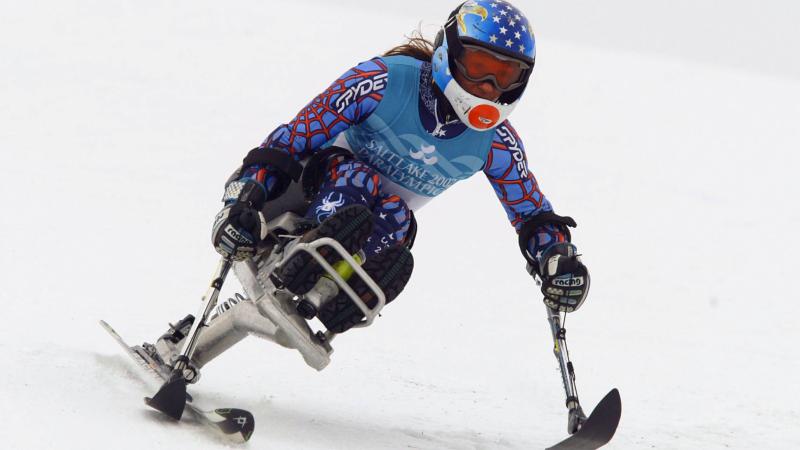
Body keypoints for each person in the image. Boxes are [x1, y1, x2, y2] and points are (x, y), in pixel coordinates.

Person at [210, 0, 590, 334]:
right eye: (478, 68)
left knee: (398, 217)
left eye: (505, 76)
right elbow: (291, 140)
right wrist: (242, 197)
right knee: (359, 180)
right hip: (301, 192)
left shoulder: (496, 142)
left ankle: (331, 287)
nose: (489, 87)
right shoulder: (383, 80)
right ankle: (305, 250)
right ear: (449, 53)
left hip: (365, 228)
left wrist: (558, 259)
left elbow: (532, 213)